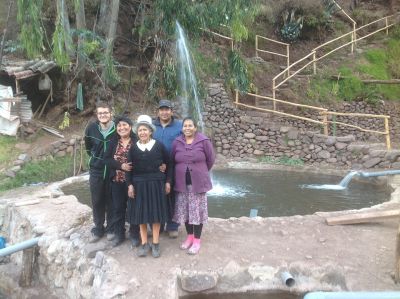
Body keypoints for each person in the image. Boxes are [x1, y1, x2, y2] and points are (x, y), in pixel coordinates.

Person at [127, 115, 172, 258]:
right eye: (140, 130)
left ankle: (156, 243)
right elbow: (129, 169)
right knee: (141, 215)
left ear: (150, 131)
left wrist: (168, 181)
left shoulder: (159, 145)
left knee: (156, 215)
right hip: (139, 185)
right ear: (137, 132)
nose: (142, 132)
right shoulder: (133, 149)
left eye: (145, 130)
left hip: (156, 183)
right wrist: (130, 186)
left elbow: (169, 163)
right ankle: (145, 243)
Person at [171, 117, 215, 255]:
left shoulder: (203, 141)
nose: (187, 128)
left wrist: (200, 172)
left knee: (197, 213)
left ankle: (197, 240)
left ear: (195, 127)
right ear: (182, 128)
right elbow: (173, 159)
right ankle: (189, 237)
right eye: (185, 126)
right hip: (182, 183)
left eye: (190, 125)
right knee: (185, 211)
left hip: (198, 183)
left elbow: (210, 159)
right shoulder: (177, 142)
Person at [84, 102, 116, 243]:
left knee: (111, 200)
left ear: (110, 114)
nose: (103, 115)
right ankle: (98, 228)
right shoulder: (91, 128)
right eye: (100, 113)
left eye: (105, 112)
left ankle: (110, 228)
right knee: (97, 200)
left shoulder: (117, 128)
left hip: (112, 170)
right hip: (96, 170)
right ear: (97, 115)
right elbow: (88, 147)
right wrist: (95, 158)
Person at [104, 116, 136, 247]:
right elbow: (106, 160)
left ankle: (135, 234)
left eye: (124, 125)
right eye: (119, 126)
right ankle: (119, 234)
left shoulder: (137, 141)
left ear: (130, 126)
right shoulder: (113, 142)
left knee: (134, 208)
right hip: (117, 181)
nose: (122, 128)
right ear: (116, 129)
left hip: (133, 182)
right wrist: (120, 166)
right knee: (118, 208)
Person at [153, 99, 182, 238]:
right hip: (156, 168)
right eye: (162, 109)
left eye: (167, 109)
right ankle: (158, 224)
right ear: (158, 111)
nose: (164, 112)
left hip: (174, 166)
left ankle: (172, 225)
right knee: (158, 196)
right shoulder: (152, 126)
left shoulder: (180, 126)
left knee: (172, 196)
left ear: (171, 111)